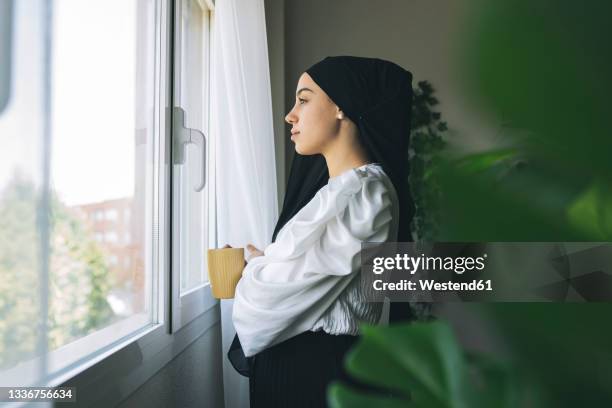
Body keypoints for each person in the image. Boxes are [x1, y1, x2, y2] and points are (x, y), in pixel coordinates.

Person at [228, 56, 417, 407]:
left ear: (341, 107)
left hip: (315, 374)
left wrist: (256, 269)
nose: (290, 115)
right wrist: (266, 263)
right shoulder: (339, 191)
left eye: (303, 99)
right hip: (306, 368)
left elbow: (267, 303)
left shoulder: (362, 191)